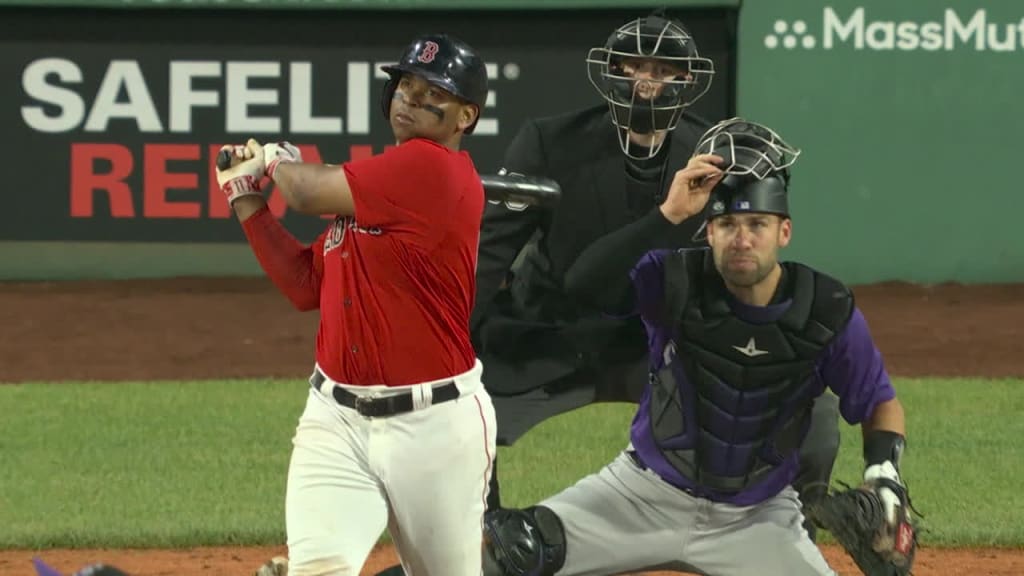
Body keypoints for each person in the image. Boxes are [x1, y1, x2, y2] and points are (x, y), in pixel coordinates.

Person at [480, 118, 912, 576]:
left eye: (757, 224)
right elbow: (586, 286)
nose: (742, 238)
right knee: (497, 561)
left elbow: (880, 403)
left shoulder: (824, 309)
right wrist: (667, 214)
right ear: (708, 232)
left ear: (784, 232)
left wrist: (883, 473)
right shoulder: (673, 280)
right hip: (639, 497)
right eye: (726, 223)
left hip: (758, 520)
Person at [473, 7, 838, 541]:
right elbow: (490, 252)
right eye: (633, 68)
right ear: (611, 72)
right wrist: (447, 339)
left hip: (662, 342)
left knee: (802, 390)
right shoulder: (549, 142)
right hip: (549, 331)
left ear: (689, 80)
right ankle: (484, 529)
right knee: (456, 401)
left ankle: (795, 520)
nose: (647, 83)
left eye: (665, 70)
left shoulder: (717, 156)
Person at [217, 34, 496, 576]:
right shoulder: (376, 189)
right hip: (335, 418)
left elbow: (304, 191)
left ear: (465, 116)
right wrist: (247, 201)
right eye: (406, 85)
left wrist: (274, 159)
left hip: (433, 427)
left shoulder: (432, 170)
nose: (411, 98)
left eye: (431, 90)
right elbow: (304, 286)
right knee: (317, 568)